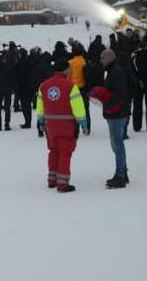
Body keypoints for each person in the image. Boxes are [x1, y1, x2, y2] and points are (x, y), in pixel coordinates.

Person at [36, 59, 88, 192]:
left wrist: (41, 120)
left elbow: (40, 107)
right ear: (66, 70)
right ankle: (62, 183)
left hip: (50, 127)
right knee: (65, 153)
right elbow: (78, 108)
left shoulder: (43, 86)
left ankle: (52, 179)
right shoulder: (71, 87)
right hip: (67, 127)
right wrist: (83, 123)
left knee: (53, 151)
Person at [90, 49, 130, 189]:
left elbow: (119, 94)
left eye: (102, 58)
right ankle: (123, 172)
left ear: (109, 58)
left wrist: (106, 100)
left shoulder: (116, 72)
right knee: (117, 144)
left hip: (117, 113)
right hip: (118, 112)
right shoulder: (113, 71)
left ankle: (120, 175)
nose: (101, 61)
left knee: (117, 145)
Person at [0, 48, 15, 131]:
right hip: (7, 89)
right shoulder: (8, 69)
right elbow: (12, 80)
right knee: (7, 108)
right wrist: (12, 87)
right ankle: (7, 124)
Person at [15, 48, 35, 129]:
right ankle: (28, 121)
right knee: (28, 105)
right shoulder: (30, 63)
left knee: (24, 105)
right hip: (29, 86)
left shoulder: (19, 64)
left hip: (21, 87)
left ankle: (27, 121)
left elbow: (16, 76)